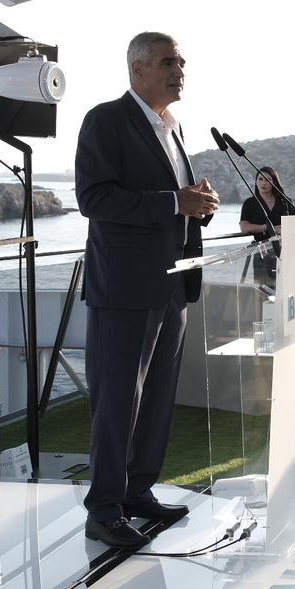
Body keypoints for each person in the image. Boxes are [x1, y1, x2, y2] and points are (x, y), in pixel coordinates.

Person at [75, 31, 219, 549]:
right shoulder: (106, 120)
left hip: (171, 287)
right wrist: (172, 203)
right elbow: (94, 198)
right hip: (126, 290)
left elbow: (173, 201)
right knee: (118, 402)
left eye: (181, 61)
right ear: (138, 69)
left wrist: (197, 205)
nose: (179, 70)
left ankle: (137, 493)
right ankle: (104, 510)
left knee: (156, 400)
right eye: (167, 62)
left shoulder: (172, 130)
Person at [239, 165, 295, 280]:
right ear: (256, 182)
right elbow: (244, 227)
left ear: (274, 182)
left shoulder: (285, 202)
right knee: (262, 291)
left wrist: (286, 228)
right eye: (260, 179)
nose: (263, 183)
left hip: (285, 251)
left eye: (268, 180)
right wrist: (268, 228)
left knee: (285, 286)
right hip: (261, 251)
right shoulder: (250, 203)